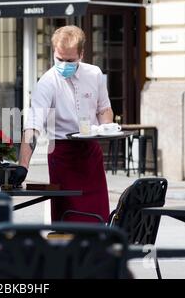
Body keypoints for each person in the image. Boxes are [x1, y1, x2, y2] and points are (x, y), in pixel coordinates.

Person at [10, 25, 113, 223]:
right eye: (59, 59)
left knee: (98, 218)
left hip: (91, 153)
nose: (63, 64)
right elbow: (33, 125)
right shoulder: (47, 82)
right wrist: (23, 165)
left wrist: (105, 128)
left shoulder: (95, 74)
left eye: (70, 61)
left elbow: (104, 109)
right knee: (69, 219)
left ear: (81, 54)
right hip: (63, 155)